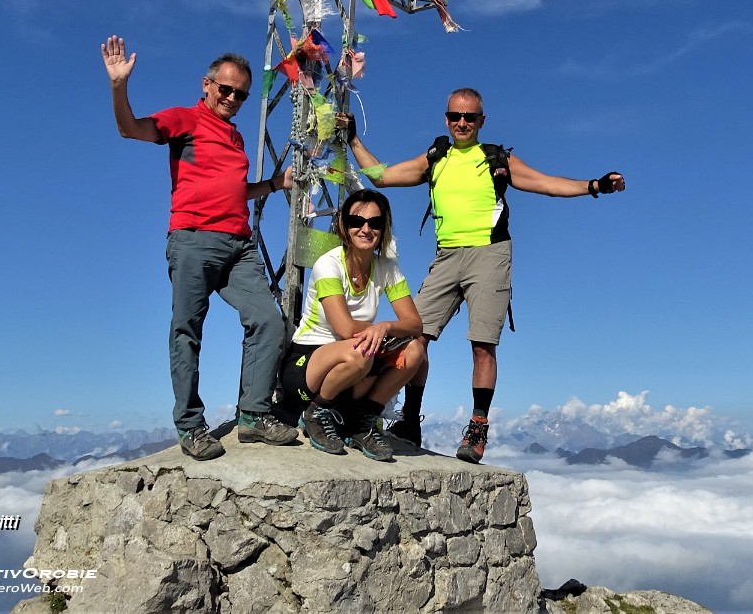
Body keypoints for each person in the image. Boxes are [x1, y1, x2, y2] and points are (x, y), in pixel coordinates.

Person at [339, 87, 625, 463]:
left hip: (491, 254)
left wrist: (594, 186)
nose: (461, 123)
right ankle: (408, 419)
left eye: (469, 117)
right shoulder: (436, 157)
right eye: (455, 116)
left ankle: (477, 427)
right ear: (446, 118)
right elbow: (383, 176)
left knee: (482, 344)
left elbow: (546, 183)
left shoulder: (496, 159)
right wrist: (354, 139)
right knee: (414, 334)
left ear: (481, 121)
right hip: (447, 255)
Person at [101, 35, 298, 461]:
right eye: (224, 89)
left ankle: (253, 417)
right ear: (206, 84)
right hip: (192, 239)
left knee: (269, 321)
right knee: (187, 331)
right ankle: (190, 426)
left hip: (238, 246)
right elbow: (129, 129)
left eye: (240, 94)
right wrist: (119, 87)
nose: (231, 98)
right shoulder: (185, 119)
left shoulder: (236, 138)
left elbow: (232, 191)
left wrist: (271, 185)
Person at [280, 189, 427, 462]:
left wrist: (384, 327)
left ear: (384, 229)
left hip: (356, 361)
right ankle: (316, 412)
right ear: (344, 227)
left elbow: (414, 324)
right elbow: (345, 328)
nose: (365, 229)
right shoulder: (328, 264)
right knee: (361, 352)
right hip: (309, 359)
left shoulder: (386, 267)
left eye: (375, 223)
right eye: (356, 221)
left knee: (416, 351)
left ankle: (362, 422)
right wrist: (381, 331)